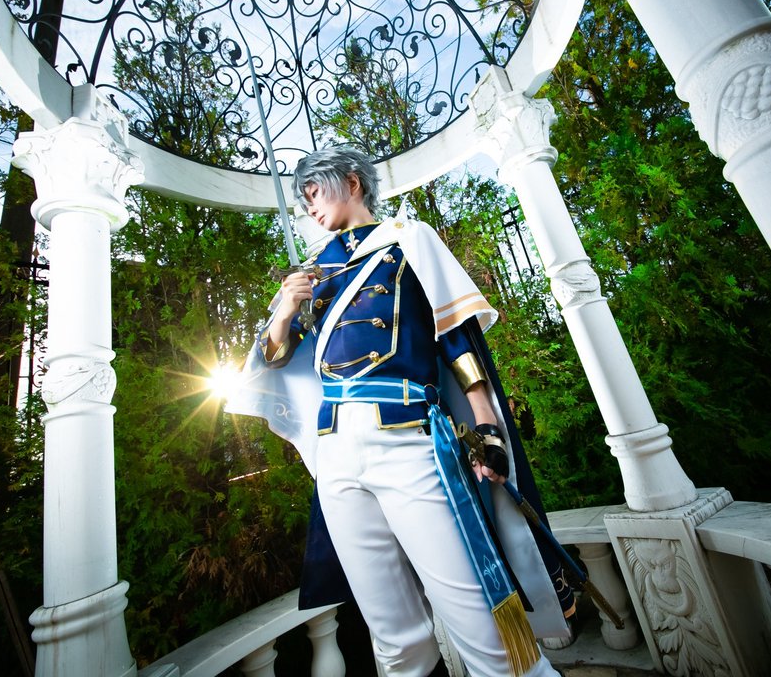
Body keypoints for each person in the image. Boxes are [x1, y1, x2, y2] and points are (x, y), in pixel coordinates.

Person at [228, 146, 574, 677]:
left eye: (314, 191)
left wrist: (487, 427)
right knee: (393, 638)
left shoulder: (409, 240)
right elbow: (272, 360)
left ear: (352, 182)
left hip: (408, 436)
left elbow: (457, 341)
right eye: (303, 198)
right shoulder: (314, 273)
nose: (309, 205)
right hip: (336, 453)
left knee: (478, 617)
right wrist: (286, 308)